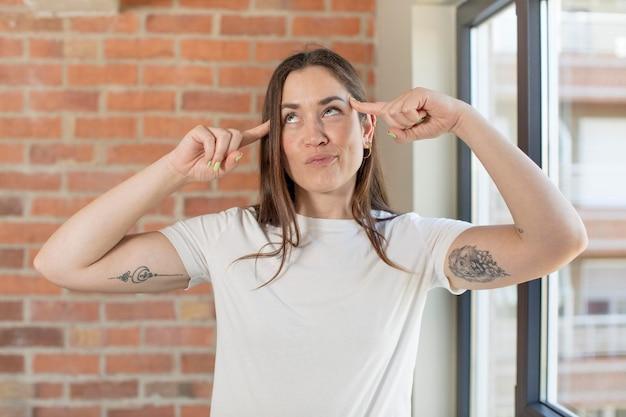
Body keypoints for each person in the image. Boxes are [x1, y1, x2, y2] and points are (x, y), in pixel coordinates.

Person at [33, 47, 588, 416]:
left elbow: (557, 240)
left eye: (332, 111)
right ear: (276, 140)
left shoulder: (416, 243)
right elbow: (62, 264)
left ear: (367, 128)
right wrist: (176, 168)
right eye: (292, 117)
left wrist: (464, 119)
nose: (315, 134)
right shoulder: (227, 237)